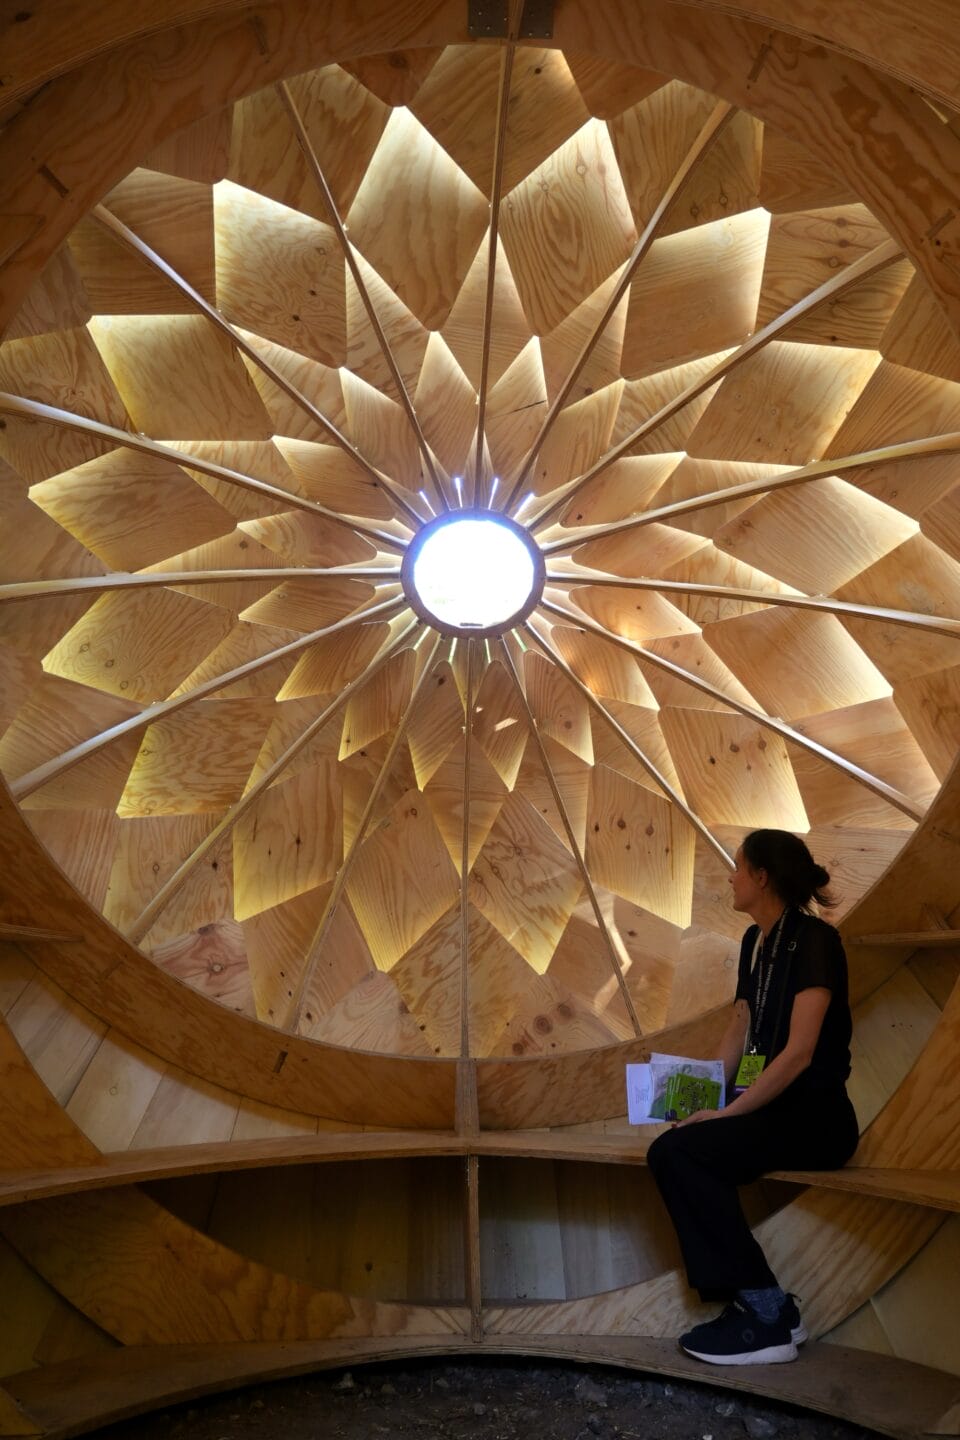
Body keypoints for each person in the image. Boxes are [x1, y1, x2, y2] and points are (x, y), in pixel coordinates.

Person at [646, 829, 859, 1365]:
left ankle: (769, 1316)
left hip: (816, 1116)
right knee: (672, 1145)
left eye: (738, 868)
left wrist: (726, 1114)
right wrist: (692, 1102)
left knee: (681, 1153)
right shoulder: (752, 942)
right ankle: (753, 1303)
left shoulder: (816, 941)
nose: (730, 877)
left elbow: (799, 1054)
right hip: (764, 1107)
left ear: (762, 877)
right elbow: (738, 1035)